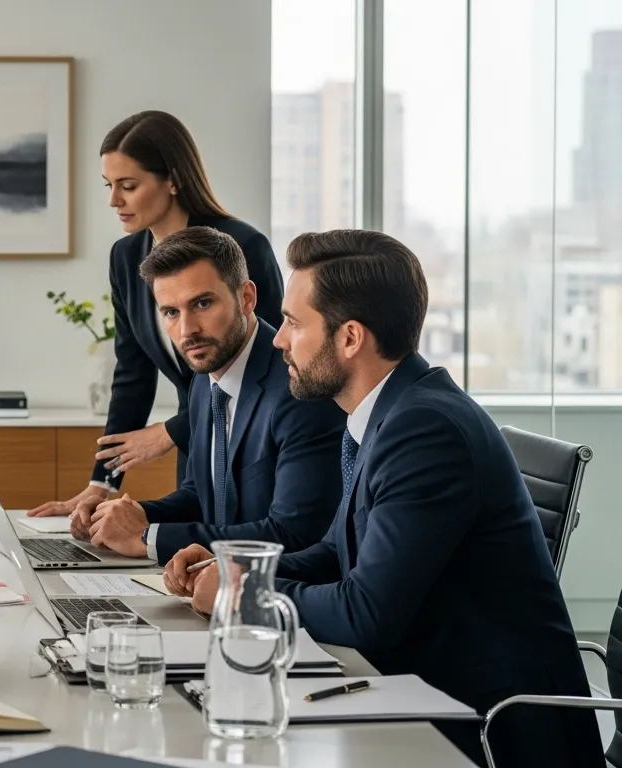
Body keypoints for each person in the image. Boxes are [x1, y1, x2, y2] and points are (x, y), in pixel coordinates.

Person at [179, 230, 600, 768]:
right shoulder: (384, 414)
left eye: (294, 322)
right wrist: (235, 568)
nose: (279, 340)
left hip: (492, 728)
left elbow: (366, 613)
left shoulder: (424, 429)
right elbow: (335, 549)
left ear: (350, 337)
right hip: (419, 690)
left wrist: (241, 596)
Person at [32, 111, 284, 521]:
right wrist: (104, 482)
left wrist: (170, 431)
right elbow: (132, 374)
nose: (114, 200)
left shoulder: (241, 247)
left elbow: (273, 370)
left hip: (258, 440)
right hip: (197, 445)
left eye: (128, 186)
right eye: (109, 186)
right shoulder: (126, 257)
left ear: (172, 179)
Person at [80, 227, 342, 564]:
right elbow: (201, 497)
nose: (187, 330)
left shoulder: (299, 389)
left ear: (246, 298)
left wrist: (146, 537)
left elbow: (292, 534)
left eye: (202, 303)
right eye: (171, 312)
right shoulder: (205, 380)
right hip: (208, 586)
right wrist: (117, 515)